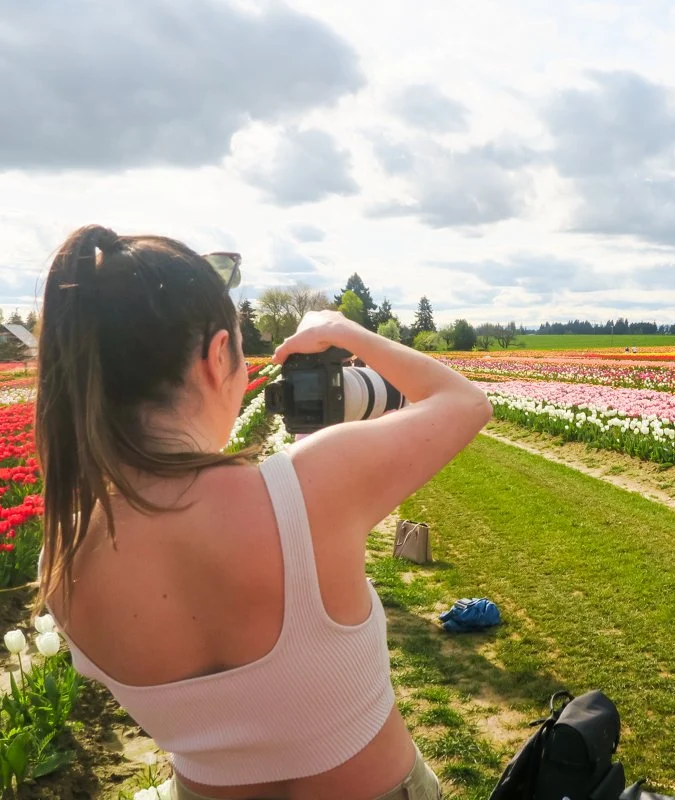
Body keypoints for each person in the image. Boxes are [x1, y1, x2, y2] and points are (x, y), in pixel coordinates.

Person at [35, 225, 491, 799]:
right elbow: (465, 402)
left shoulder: (63, 553)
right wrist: (345, 331)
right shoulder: (307, 488)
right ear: (218, 354)